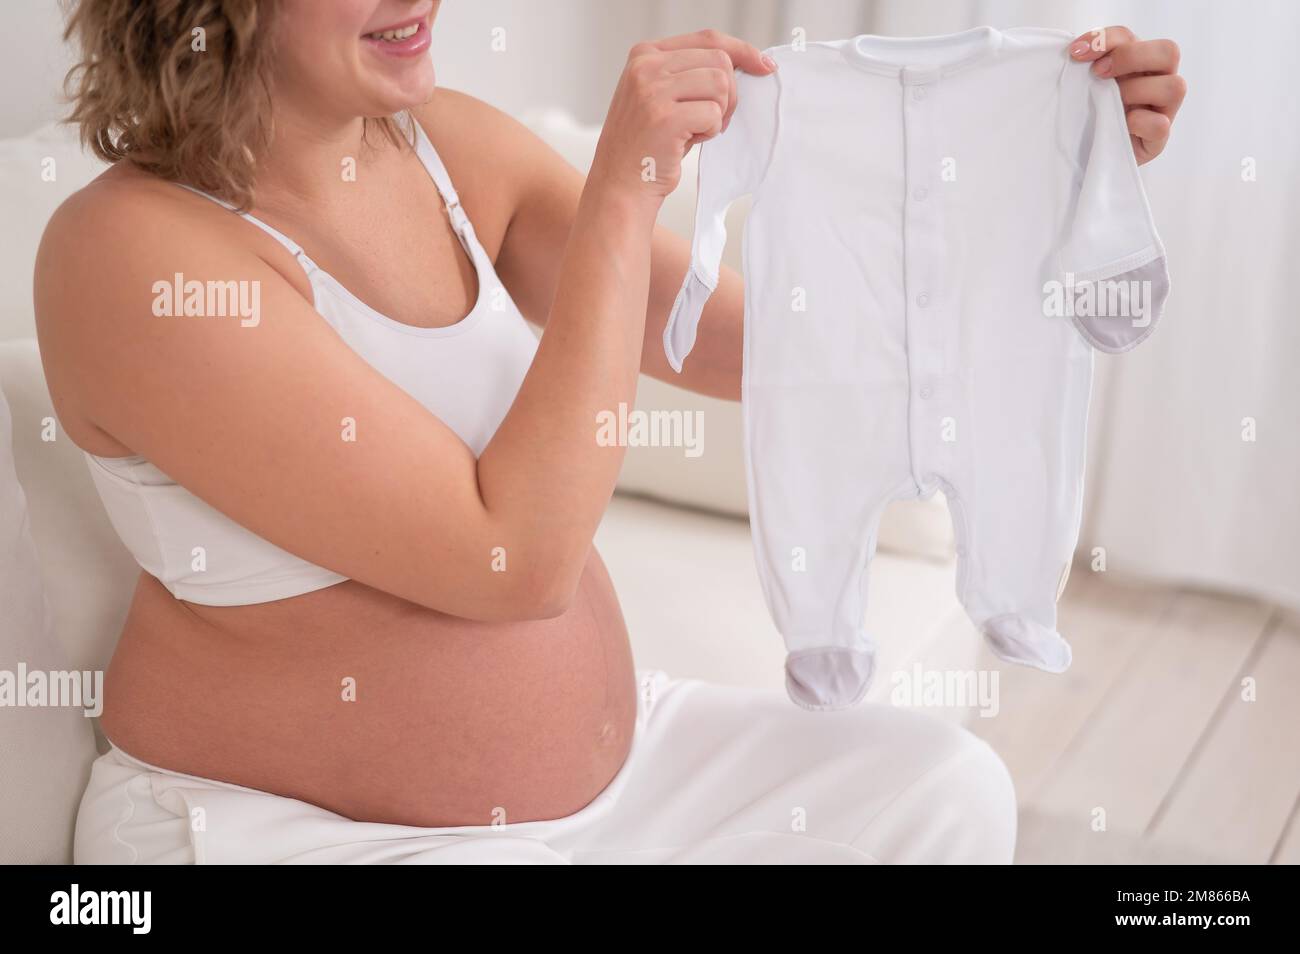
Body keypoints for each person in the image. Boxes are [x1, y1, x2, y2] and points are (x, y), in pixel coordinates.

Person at [37, 1, 1185, 863]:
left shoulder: (441, 147)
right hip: (289, 833)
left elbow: (790, 351)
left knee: (941, 789)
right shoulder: (132, 257)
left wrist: (1050, 178)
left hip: (609, 790)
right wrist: (623, 198)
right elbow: (513, 558)